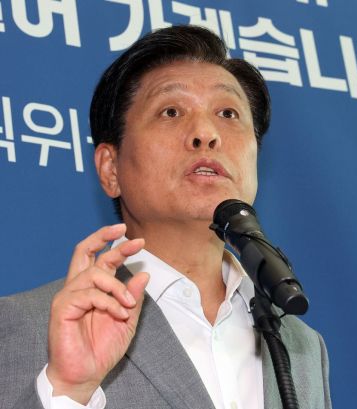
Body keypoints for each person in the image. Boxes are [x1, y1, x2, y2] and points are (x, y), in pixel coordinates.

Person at [0, 25, 331, 409]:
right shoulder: (27, 325)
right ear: (110, 168)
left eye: (228, 113)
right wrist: (69, 391)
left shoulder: (300, 344)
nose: (206, 133)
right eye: (171, 111)